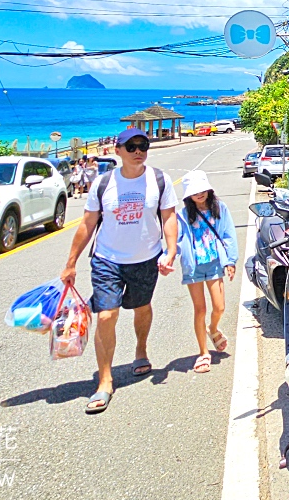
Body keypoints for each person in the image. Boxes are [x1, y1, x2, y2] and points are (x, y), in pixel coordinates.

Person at [61, 127, 178, 414]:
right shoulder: (103, 183)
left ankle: (140, 350)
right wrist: (71, 262)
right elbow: (87, 224)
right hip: (107, 259)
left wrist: (170, 250)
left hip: (145, 259)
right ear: (118, 151)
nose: (138, 151)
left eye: (143, 146)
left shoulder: (159, 181)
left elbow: (169, 217)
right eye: (131, 146)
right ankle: (105, 381)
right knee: (106, 315)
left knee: (142, 307)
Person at [175, 170, 237, 373]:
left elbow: (228, 234)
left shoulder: (220, 208)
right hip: (193, 265)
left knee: (219, 307)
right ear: (188, 195)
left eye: (202, 190)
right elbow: (176, 239)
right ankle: (203, 353)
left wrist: (230, 260)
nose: (199, 194)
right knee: (199, 309)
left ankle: (213, 328)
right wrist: (168, 257)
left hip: (214, 263)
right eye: (195, 192)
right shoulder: (183, 214)